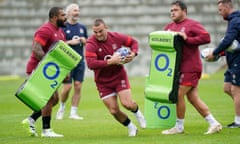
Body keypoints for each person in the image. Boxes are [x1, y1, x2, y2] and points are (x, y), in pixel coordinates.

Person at [161, 1, 222, 135]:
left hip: (191, 67)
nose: (172, 12)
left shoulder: (192, 24)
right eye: (171, 10)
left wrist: (187, 39)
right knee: (193, 98)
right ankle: (214, 123)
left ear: (184, 11)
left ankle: (179, 127)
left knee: (178, 94)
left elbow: (206, 38)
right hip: (178, 68)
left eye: (176, 10)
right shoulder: (169, 27)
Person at [85, 18, 146, 137]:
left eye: (100, 31)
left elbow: (134, 42)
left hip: (119, 77)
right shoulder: (91, 43)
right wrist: (110, 61)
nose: (98, 34)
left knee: (127, 104)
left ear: (106, 28)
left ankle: (137, 113)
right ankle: (131, 126)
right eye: (95, 32)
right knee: (113, 110)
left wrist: (133, 54)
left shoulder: (116, 37)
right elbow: (90, 64)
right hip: (102, 82)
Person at [21, 6, 67, 137]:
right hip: (38, 68)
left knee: (55, 100)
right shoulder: (45, 30)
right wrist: (49, 65)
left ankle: (31, 120)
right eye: (63, 15)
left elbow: (60, 55)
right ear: (54, 17)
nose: (66, 18)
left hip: (51, 71)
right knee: (49, 98)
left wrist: (64, 71)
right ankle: (46, 130)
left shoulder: (61, 32)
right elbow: (36, 49)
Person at [207, 0, 240, 128]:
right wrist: (220, 54)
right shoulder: (232, 21)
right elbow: (233, 45)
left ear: (227, 7)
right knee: (227, 88)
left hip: (238, 61)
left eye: (220, 10)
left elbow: (228, 40)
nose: (219, 13)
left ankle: (238, 122)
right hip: (232, 61)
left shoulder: (236, 20)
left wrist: (215, 52)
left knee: (236, 90)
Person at [56, 3, 88, 120]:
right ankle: (62, 107)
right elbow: (58, 44)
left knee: (78, 86)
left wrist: (84, 41)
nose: (77, 12)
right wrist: (70, 42)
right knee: (67, 87)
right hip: (67, 62)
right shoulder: (63, 27)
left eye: (78, 10)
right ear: (68, 13)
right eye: (75, 10)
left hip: (79, 61)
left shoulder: (82, 27)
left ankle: (74, 112)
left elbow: (87, 43)